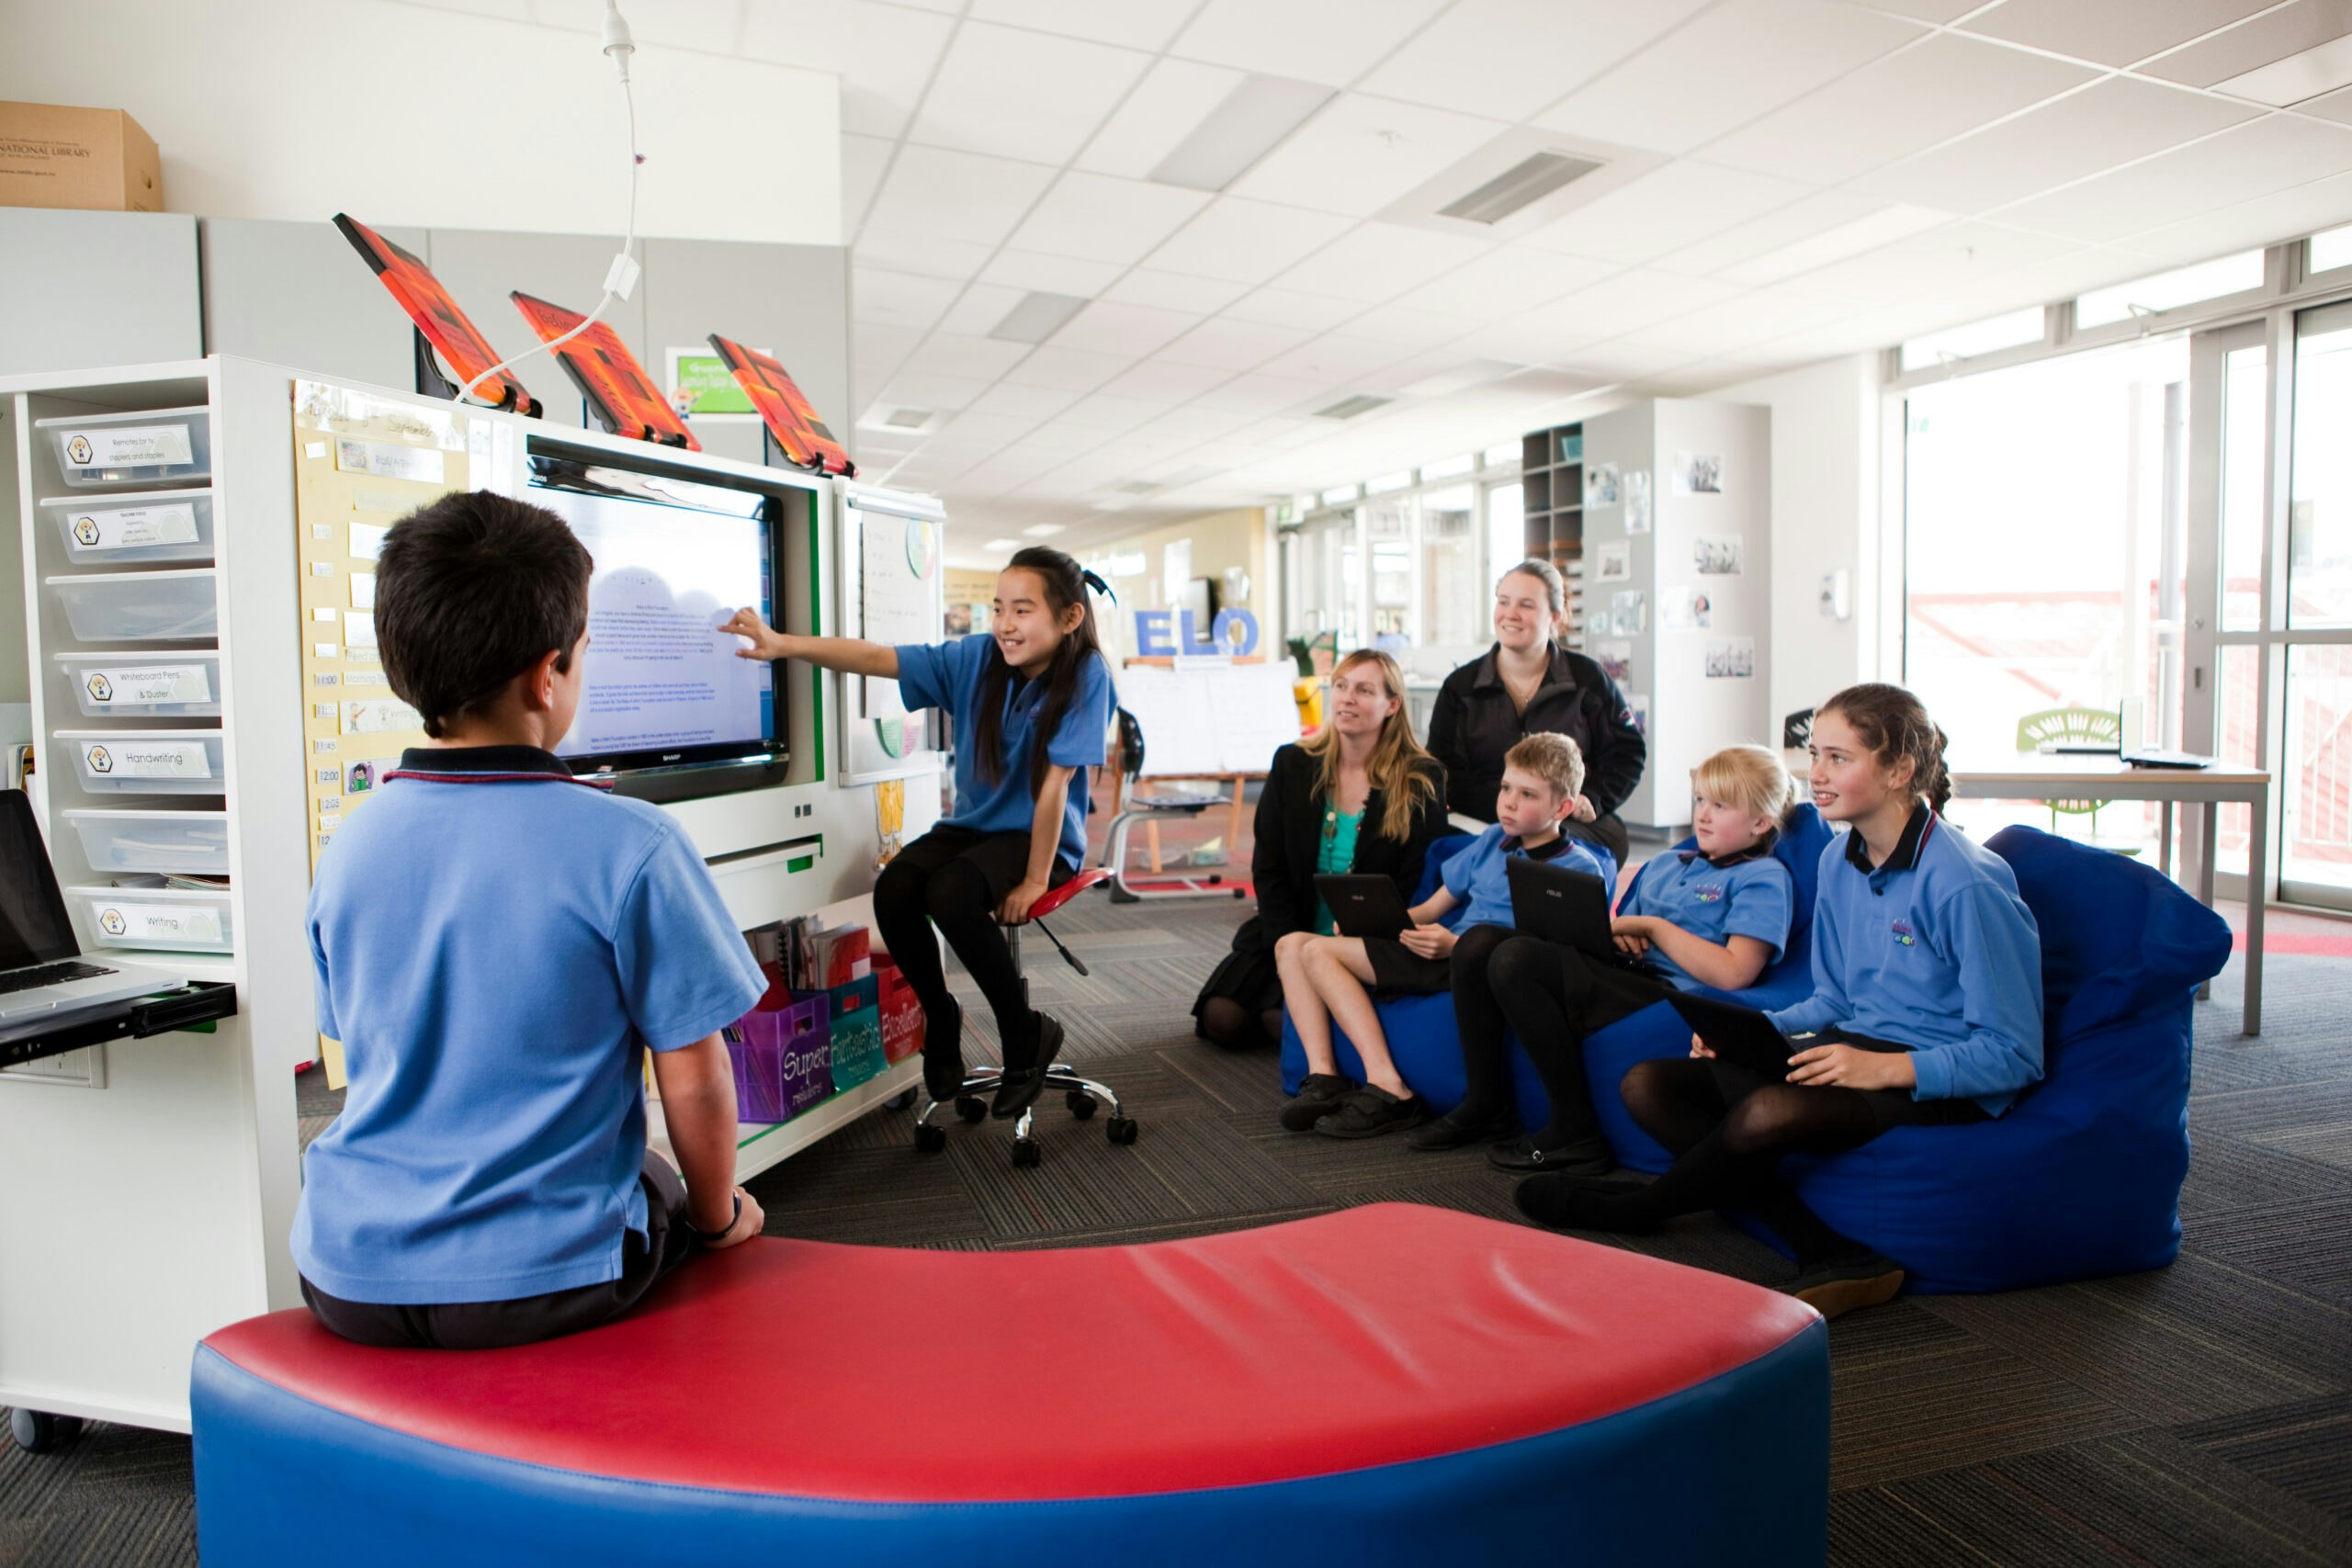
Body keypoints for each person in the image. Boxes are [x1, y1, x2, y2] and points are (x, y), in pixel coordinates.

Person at [293, 491, 768, 1351]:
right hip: (544, 1284)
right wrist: (718, 1217)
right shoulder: (635, 845)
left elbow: (358, 1052)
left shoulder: (349, 844)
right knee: (661, 1180)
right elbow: (693, 1080)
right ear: (547, 675)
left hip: (346, 1274)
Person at [1516, 684, 2045, 1320]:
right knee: (1648, 1085)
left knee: (1766, 1109)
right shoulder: (1839, 859)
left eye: (1838, 758)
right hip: (1859, 1048)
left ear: (1900, 769)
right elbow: (1833, 998)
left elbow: (2014, 1054)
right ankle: (1833, 1250)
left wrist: (1884, 1068)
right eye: (1814, 754)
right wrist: (1754, 1029)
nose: (1816, 775)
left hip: (1934, 1075)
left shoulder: (1964, 882)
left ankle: (1643, 1207)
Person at [724, 547, 1113, 1122]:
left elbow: (1055, 786)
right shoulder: (978, 657)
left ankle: (1023, 1034)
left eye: (1023, 610)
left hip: (1040, 840)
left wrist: (1035, 877)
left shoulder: (1086, 674)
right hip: (973, 831)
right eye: (999, 608)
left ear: (1070, 617)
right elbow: (878, 657)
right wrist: (783, 644)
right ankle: (941, 1017)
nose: (1005, 624)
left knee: (950, 894)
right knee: (897, 888)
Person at [1408, 744, 1795, 1173]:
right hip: (1619, 970)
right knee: (1478, 942)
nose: (1702, 814)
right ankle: (1484, 1102)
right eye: (1701, 800)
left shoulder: (1762, 877)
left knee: (1514, 957)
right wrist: (1622, 933)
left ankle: (1575, 1131)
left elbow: (1735, 972)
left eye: (1720, 805)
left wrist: (1652, 928)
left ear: (1760, 822)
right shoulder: (1668, 863)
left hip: (1670, 995)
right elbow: (1617, 930)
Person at [1281, 731, 1606, 1140]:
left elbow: (1551, 952)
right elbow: (1431, 910)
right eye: (1506, 788)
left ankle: (1388, 1086)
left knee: (1316, 954)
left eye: (1527, 794)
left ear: (1562, 807)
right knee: (1291, 944)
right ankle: (1323, 1076)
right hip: (1442, 947)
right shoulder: (1492, 840)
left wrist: (1457, 946)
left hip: (1473, 963)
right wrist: (1374, 921)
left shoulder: (1580, 868)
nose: (1508, 801)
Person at [1193, 650, 1446, 1052]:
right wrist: (1286, 944)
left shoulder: (1420, 779)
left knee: (1280, 1022)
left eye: (1364, 690)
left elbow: (1417, 877)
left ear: (1392, 705)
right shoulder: (1294, 763)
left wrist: (1364, 938)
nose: (1346, 698)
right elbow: (1269, 866)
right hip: (1290, 927)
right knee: (1222, 1018)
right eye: (1341, 686)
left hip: (1365, 938)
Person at [1427, 559, 1646, 867]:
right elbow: (1442, 767)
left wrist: (1592, 799)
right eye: (1503, 602)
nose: (1510, 614)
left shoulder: (1588, 679)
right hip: (1483, 820)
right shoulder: (1461, 687)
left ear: (1554, 616)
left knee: (1562, 848)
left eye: (1526, 605)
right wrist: (1510, 809)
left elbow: (1628, 753)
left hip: (1565, 820)